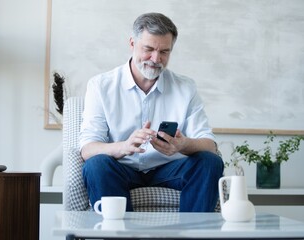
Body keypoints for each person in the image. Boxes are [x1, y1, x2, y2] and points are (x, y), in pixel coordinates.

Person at [79, 12, 223, 212]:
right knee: (96, 165)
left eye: (164, 51)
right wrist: (123, 146)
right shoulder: (100, 86)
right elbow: (88, 149)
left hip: (168, 169)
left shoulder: (186, 87)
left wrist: (183, 145)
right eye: (148, 49)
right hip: (121, 168)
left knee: (210, 162)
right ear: (132, 43)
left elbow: (209, 145)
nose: (156, 59)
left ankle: (193, 234)